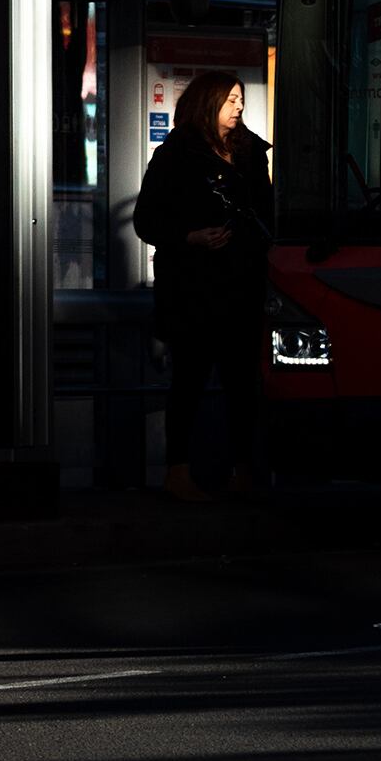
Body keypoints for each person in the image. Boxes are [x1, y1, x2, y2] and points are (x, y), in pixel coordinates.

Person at [133, 70, 273, 501]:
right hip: (192, 288)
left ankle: (243, 470)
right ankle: (178, 472)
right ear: (208, 103)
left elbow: (267, 211)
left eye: (240, 100)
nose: (239, 108)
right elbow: (145, 220)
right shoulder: (175, 154)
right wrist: (191, 237)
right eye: (231, 100)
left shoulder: (250, 152)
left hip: (242, 285)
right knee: (189, 382)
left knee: (241, 385)